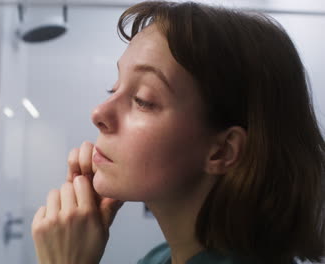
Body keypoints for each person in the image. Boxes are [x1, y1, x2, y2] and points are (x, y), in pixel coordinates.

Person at [31, 1, 325, 264]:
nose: (98, 114)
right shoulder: (160, 258)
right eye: (114, 87)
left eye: (143, 100)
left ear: (222, 150)